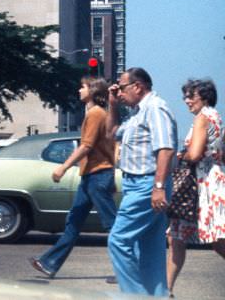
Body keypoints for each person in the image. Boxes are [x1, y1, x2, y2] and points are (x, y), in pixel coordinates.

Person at [30, 77, 117, 278]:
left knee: (112, 225)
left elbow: (86, 146)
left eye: (83, 87)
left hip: (98, 176)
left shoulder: (95, 114)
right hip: (90, 177)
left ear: (93, 91)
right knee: (73, 222)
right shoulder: (95, 113)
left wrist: (63, 167)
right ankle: (49, 263)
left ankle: (125, 271)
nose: (79, 90)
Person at [106, 67, 177, 296]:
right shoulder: (138, 112)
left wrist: (157, 188)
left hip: (147, 185)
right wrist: (112, 104)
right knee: (150, 249)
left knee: (118, 241)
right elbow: (111, 133)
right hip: (137, 185)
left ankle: (135, 296)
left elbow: (165, 149)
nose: (119, 91)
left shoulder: (155, 108)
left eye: (122, 87)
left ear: (138, 86)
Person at [166, 79, 225, 295]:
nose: (187, 101)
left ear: (205, 97)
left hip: (200, 185)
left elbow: (195, 154)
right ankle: (167, 289)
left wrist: (182, 154)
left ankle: (166, 289)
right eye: (186, 96)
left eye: (192, 96)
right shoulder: (217, 118)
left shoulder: (202, 118)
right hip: (214, 181)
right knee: (181, 237)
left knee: (183, 237)